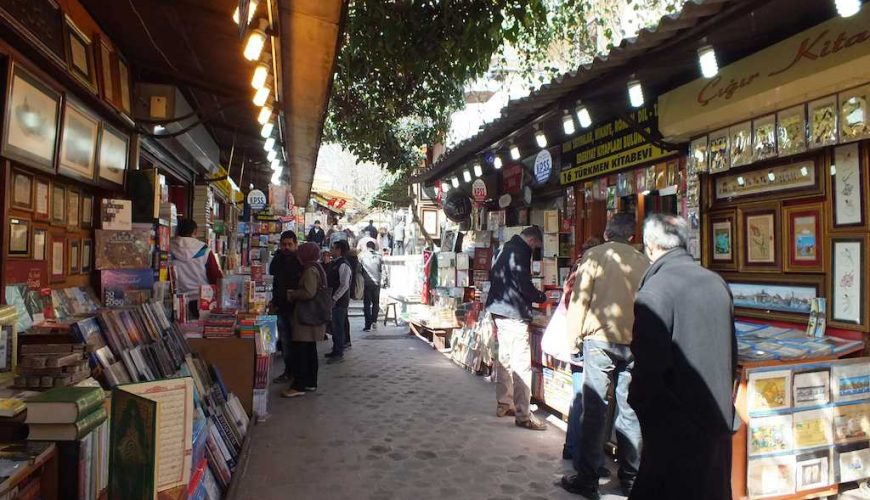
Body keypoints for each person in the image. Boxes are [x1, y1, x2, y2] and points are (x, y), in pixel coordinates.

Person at [628, 214, 737, 500]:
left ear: (650, 246)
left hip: (674, 433)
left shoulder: (655, 292)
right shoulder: (716, 283)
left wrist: (647, 414)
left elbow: (648, 373)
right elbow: (730, 356)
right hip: (715, 424)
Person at [560, 213, 649, 498]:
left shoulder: (594, 255)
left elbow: (580, 299)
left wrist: (572, 339)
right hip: (633, 342)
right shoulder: (644, 261)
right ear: (632, 237)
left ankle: (587, 478)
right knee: (629, 411)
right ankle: (631, 478)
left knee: (595, 410)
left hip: (599, 340)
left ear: (608, 233)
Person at [485, 226, 548, 431]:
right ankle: (523, 414)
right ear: (531, 241)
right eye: (536, 246)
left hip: (499, 311)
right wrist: (540, 296)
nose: (534, 249)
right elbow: (523, 283)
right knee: (521, 364)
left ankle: (504, 403)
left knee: (504, 359)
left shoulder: (502, 248)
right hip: (513, 313)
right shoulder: (520, 252)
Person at [561, 236, 603, 462]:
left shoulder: (576, 268)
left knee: (579, 398)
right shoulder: (585, 271)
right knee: (584, 400)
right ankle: (579, 454)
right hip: (584, 341)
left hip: (578, 339)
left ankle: (572, 447)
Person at [281, 242, 328, 398]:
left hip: (306, 317)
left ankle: (299, 385)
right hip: (311, 317)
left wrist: (292, 294)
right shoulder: (317, 267)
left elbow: (309, 292)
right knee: (309, 351)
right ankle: (310, 382)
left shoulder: (310, 270)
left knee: (301, 351)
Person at [170, 219, 223, 317]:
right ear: (195, 231)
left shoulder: (169, 249)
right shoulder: (204, 250)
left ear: (177, 231)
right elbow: (215, 276)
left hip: (177, 301)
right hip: (203, 299)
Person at [269, 231, 302, 384]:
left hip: (296, 308)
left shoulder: (301, 261)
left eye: (290, 244)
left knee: (296, 342)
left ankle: (297, 372)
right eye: (284, 245)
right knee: (286, 341)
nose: (287, 247)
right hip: (281, 306)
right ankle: (289, 371)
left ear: (295, 245)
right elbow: (274, 281)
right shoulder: (277, 259)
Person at [326, 240, 352, 362]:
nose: (331, 250)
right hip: (334, 301)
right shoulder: (335, 263)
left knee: (338, 327)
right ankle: (335, 350)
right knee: (335, 327)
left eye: (334, 248)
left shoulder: (344, 264)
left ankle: (338, 352)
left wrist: (334, 298)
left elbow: (344, 285)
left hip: (340, 302)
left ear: (339, 250)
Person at [359, 241, 383, 331]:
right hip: (377, 283)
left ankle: (367, 325)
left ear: (366, 247)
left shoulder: (362, 256)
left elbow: (359, 269)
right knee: (376, 303)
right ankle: (374, 321)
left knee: (367, 304)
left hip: (366, 283)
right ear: (374, 247)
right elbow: (382, 269)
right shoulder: (379, 256)